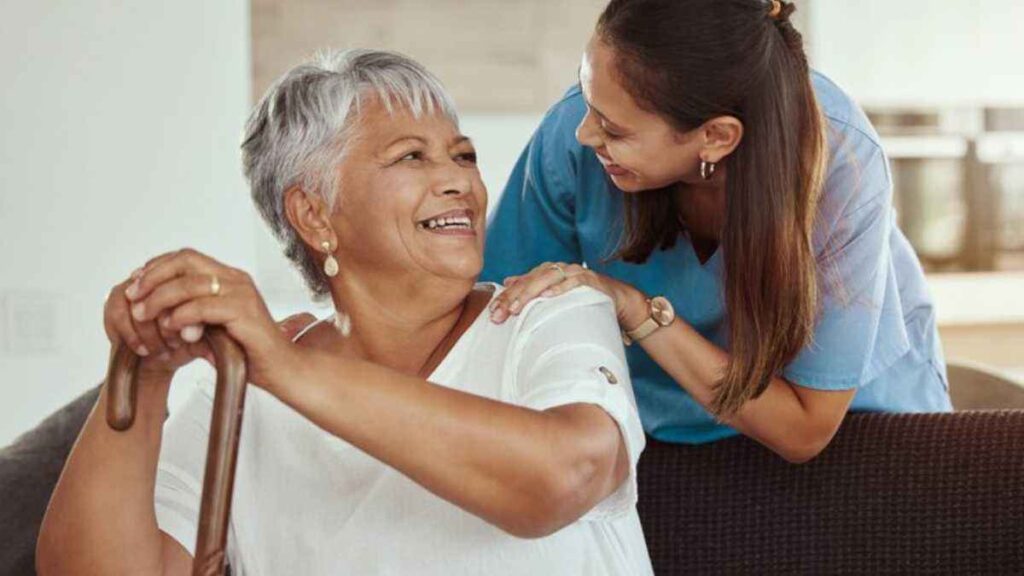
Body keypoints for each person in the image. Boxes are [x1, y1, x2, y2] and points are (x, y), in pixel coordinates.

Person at [37, 49, 653, 575]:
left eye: (462, 156)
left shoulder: (549, 311)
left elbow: (564, 477)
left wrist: (287, 370)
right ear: (314, 215)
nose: (459, 181)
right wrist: (144, 376)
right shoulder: (243, 393)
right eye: (412, 157)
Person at [482, 0, 952, 463]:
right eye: (588, 104)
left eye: (614, 130)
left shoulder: (842, 162)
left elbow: (804, 429)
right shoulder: (575, 134)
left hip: (849, 427)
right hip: (656, 428)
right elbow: (497, 324)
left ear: (717, 137)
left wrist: (635, 309)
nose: (585, 134)